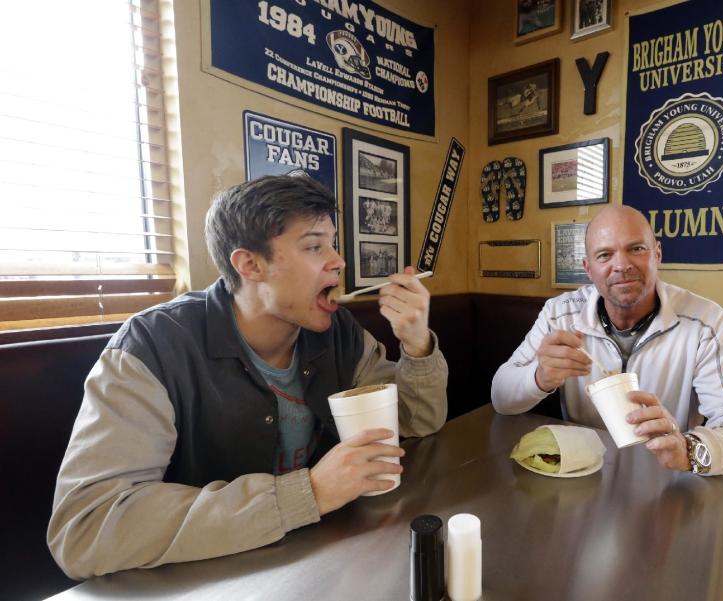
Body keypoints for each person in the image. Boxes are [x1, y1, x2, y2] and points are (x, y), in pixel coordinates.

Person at [48, 175, 448, 579]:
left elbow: (418, 421)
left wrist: (416, 346)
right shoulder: (153, 347)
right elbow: (85, 529)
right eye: (314, 246)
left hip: (321, 562)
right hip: (206, 580)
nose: (338, 261)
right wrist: (308, 493)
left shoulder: (339, 333)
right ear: (249, 264)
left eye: (333, 243)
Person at [491, 205, 723, 476]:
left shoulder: (706, 323)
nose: (622, 265)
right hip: (581, 475)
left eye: (636, 249)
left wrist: (688, 450)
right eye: (604, 255)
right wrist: (540, 377)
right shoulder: (560, 314)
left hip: (667, 485)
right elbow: (501, 398)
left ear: (657, 254)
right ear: (588, 269)